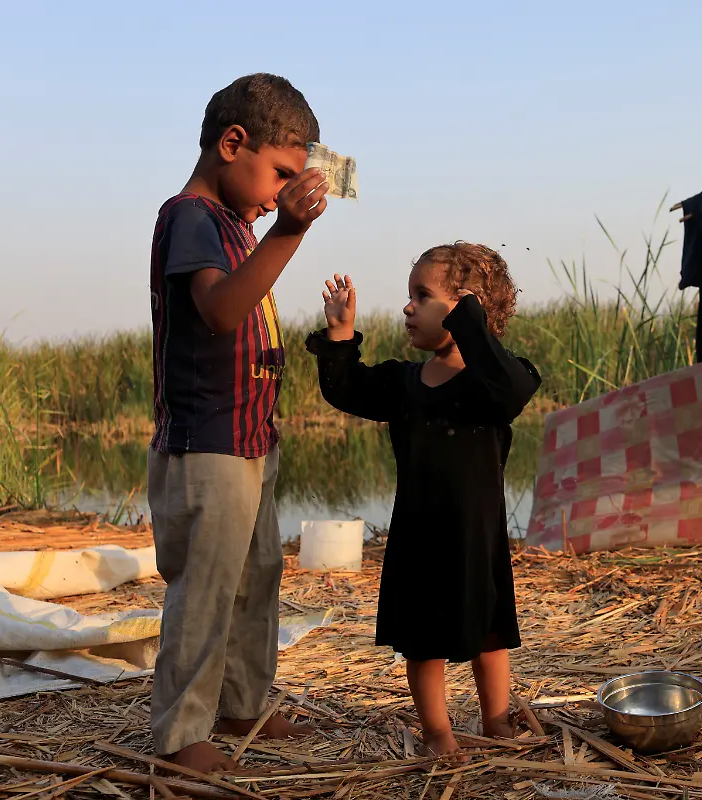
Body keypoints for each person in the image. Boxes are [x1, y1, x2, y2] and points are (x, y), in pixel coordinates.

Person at [147, 73, 330, 773]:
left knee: (257, 574)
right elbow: (222, 312)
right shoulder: (191, 218)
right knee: (206, 587)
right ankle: (179, 736)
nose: (281, 192)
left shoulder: (236, 226)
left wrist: (271, 227)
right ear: (233, 144)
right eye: (280, 173)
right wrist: (288, 231)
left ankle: (243, 702)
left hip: (250, 437)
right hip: (207, 443)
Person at [306, 243, 541, 759]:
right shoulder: (403, 383)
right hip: (418, 536)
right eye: (408, 295)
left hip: (477, 537)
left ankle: (496, 720)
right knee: (423, 642)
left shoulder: (496, 382)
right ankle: (437, 734)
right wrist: (341, 333)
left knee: (490, 631)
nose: (408, 307)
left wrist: (469, 322)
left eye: (421, 296)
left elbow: (510, 390)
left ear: (464, 308)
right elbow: (345, 389)